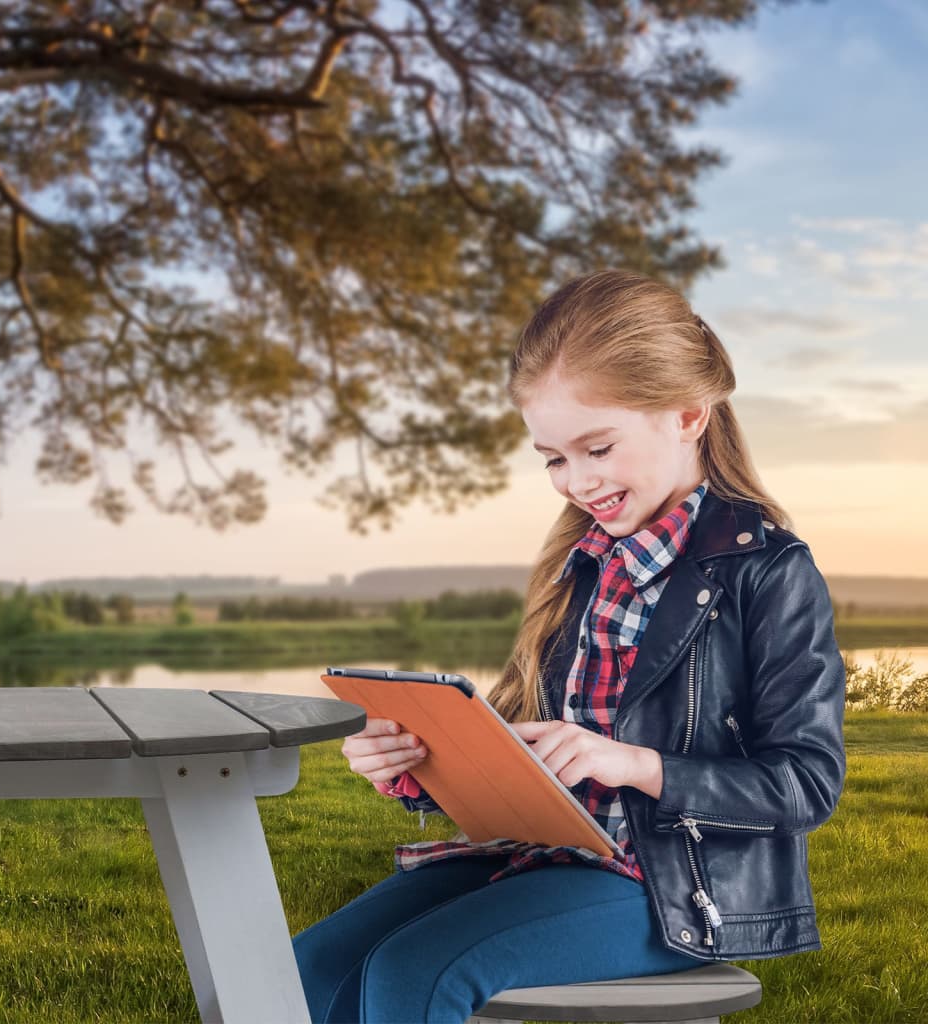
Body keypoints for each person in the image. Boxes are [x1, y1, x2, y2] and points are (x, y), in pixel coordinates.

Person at [292, 268, 847, 1024]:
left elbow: (806, 784)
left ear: (688, 415)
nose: (576, 481)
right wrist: (416, 765)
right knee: (309, 968)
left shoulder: (770, 573)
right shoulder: (578, 566)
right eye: (553, 458)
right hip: (542, 852)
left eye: (597, 448)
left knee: (415, 970)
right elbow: (525, 751)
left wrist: (631, 764)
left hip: (673, 884)